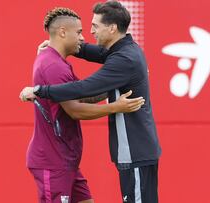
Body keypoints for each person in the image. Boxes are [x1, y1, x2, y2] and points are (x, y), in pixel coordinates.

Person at [20, 1, 162, 203]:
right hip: (131, 153)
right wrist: (58, 45)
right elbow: (90, 53)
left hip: (135, 152)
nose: (89, 33)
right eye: (79, 32)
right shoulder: (125, 51)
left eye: (95, 26)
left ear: (112, 28)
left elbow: (83, 88)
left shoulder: (124, 58)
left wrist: (39, 90)